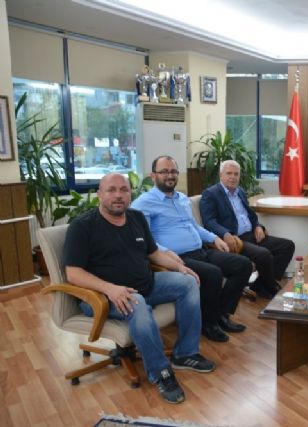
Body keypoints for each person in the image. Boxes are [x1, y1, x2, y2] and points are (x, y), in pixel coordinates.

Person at [63, 173, 215, 404]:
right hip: (102, 296)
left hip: (146, 284)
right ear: (99, 194)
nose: (118, 195)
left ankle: (185, 353)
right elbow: (73, 273)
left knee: (188, 282)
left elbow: (153, 253)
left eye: (124, 190)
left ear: (130, 194)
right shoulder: (82, 226)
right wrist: (110, 289)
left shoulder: (136, 218)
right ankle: (161, 373)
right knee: (138, 302)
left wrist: (179, 267)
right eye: (111, 190)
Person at [131, 156, 252, 343]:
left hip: (201, 251)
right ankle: (208, 324)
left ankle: (221, 314)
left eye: (173, 171)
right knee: (213, 274)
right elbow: (144, 239)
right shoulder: (143, 203)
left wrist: (214, 238)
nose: (170, 175)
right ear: (153, 176)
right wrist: (164, 251)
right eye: (164, 172)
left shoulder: (182, 198)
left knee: (243, 265)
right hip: (176, 258)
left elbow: (194, 226)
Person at [200, 160, 295, 299]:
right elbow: (209, 221)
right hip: (235, 240)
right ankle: (271, 288)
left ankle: (262, 285)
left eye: (236, 174)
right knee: (264, 254)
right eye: (229, 173)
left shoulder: (240, 192)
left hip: (251, 235)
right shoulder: (211, 194)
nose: (233, 177)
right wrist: (225, 233)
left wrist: (257, 226)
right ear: (221, 175)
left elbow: (250, 215)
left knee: (287, 246)